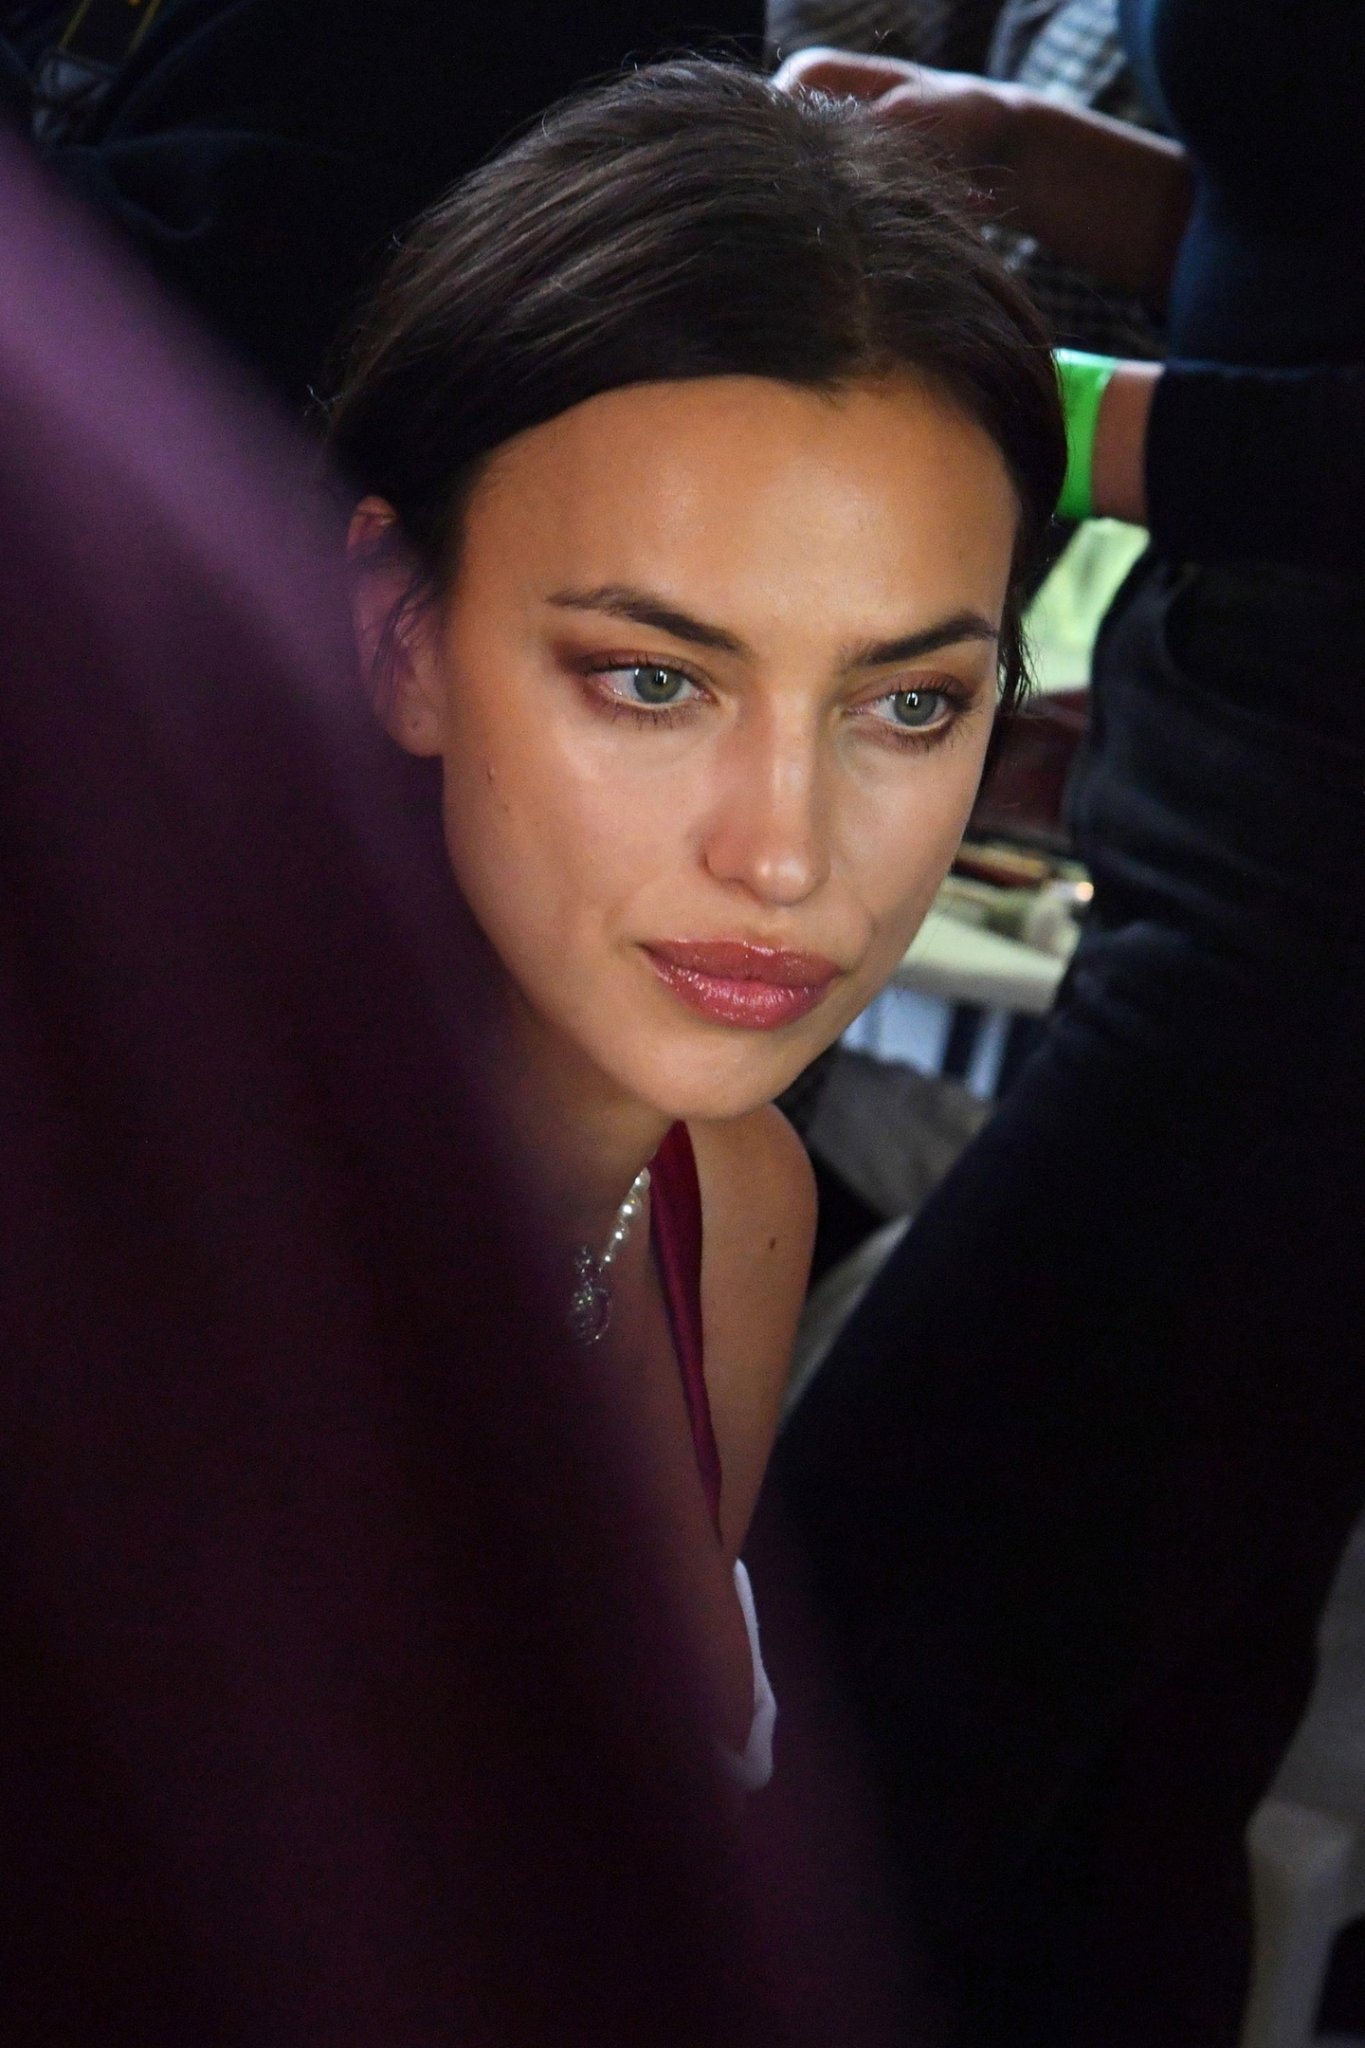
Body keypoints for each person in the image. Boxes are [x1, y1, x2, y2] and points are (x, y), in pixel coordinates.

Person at [322, 57, 1065, 1784]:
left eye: (907, 706)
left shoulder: (726, 1207)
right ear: (403, 638)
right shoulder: (136, 1231)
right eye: (653, 679)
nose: (785, 856)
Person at [771, 11, 1365, 2045]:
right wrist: (1027, 159)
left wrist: (1037, 416)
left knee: (860, 1648)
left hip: (1315, 897)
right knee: (1132, 1764)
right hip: (1228, 782)